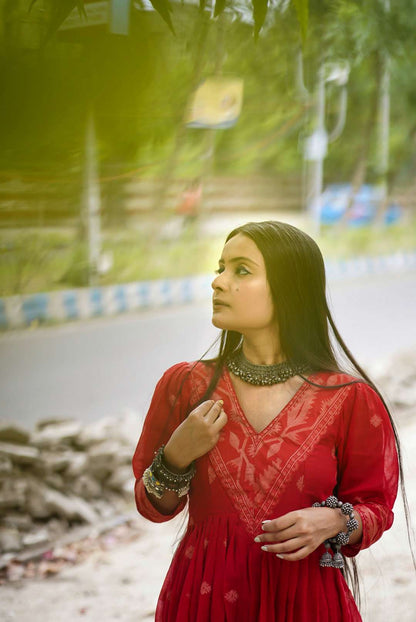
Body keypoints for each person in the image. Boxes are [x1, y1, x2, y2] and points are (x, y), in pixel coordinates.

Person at [132, 220, 401, 621]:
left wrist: (333, 520)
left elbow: (376, 507)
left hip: (306, 601)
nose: (218, 282)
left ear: (290, 288)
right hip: (203, 599)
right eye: (220, 268)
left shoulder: (349, 399)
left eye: (241, 270)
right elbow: (153, 507)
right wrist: (175, 456)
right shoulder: (186, 385)